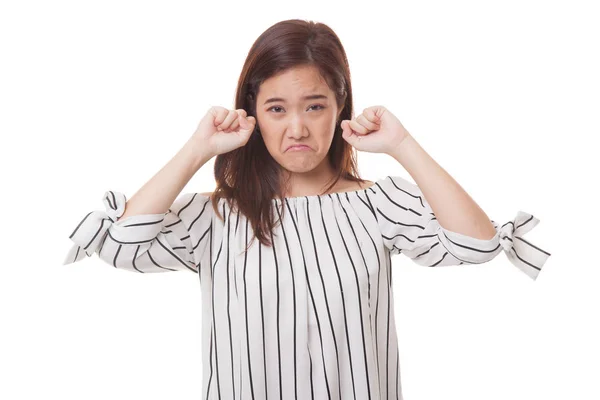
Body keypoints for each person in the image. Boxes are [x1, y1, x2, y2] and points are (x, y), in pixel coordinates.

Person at [63, 18, 551, 400]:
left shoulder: (378, 204)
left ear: (340, 104)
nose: (296, 128)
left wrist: (402, 143)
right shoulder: (216, 216)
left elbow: (478, 243)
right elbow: (124, 244)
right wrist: (197, 149)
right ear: (253, 112)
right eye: (277, 109)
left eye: (314, 106)